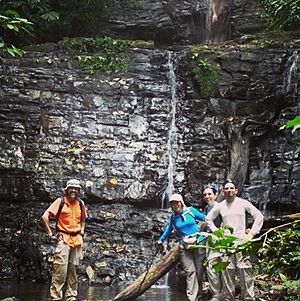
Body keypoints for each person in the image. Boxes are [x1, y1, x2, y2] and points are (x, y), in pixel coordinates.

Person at [205, 180, 264, 301]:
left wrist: (251, 234)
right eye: (226, 189)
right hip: (227, 244)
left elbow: (259, 216)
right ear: (223, 191)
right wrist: (217, 232)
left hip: (242, 242)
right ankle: (228, 298)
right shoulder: (220, 206)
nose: (229, 190)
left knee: (245, 272)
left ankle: (248, 298)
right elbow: (208, 219)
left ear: (236, 190)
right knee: (227, 273)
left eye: (231, 188)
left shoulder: (243, 203)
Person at [42, 179, 88, 301]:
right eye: (71, 188)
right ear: (67, 189)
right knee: (60, 270)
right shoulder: (60, 201)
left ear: (78, 190)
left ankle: (71, 296)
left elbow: (83, 219)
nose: (73, 190)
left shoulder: (81, 204)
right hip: (63, 238)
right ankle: (56, 297)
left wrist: (82, 231)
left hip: (77, 239)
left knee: (73, 270)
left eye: (76, 188)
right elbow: (45, 216)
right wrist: (50, 234)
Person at [157, 193, 206, 301]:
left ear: (181, 202)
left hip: (198, 242)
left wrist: (207, 233)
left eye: (177, 203)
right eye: (173, 204)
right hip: (184, 245)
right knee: (190, 271)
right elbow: (169, 229)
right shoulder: (174, 217)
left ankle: (200, 295)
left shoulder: (191, 211)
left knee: (199, 270)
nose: (175, 205)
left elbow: (205, 219)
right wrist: (161, 239)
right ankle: (191, 297)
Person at [203, 187, 223, 301]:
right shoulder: (206, 208)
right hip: (209, 239)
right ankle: (216, 292)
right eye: (205, 195)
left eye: (209, 194)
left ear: (215, 195)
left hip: (219, 239)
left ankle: (218, 294)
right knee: (211, 265)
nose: (207, 197)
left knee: (215, 265)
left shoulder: (220, 207)